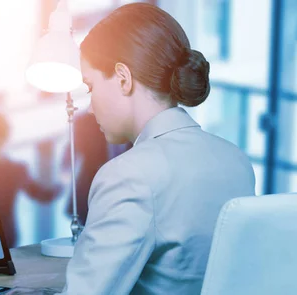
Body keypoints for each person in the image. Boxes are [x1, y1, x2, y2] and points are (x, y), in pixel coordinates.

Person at [59, 3, 255, 295]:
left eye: (90, 87)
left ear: (123, 78)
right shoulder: (237, 162)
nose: (90, 106)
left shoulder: (127, 176)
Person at [0, 112, 59, 248]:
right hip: (6, 235)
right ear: (7, 136)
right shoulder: (16, 169)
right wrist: (64, 180)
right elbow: (43, 196)